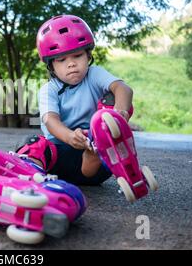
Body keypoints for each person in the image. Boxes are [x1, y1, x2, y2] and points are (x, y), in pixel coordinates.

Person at [17, 14, 133, 185]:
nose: (71, 64)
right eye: (62, 59)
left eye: (77, 56)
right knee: (32, 143)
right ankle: (29, 177)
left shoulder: (94, 74)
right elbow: (50, 120)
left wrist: (120, 113)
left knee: (112, 98)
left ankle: (95, 155)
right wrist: (70, 136)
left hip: (97, 158)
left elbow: (123, 89)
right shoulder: (49, 89)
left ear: (88, 56)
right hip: (58, 157)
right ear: (52, 66)